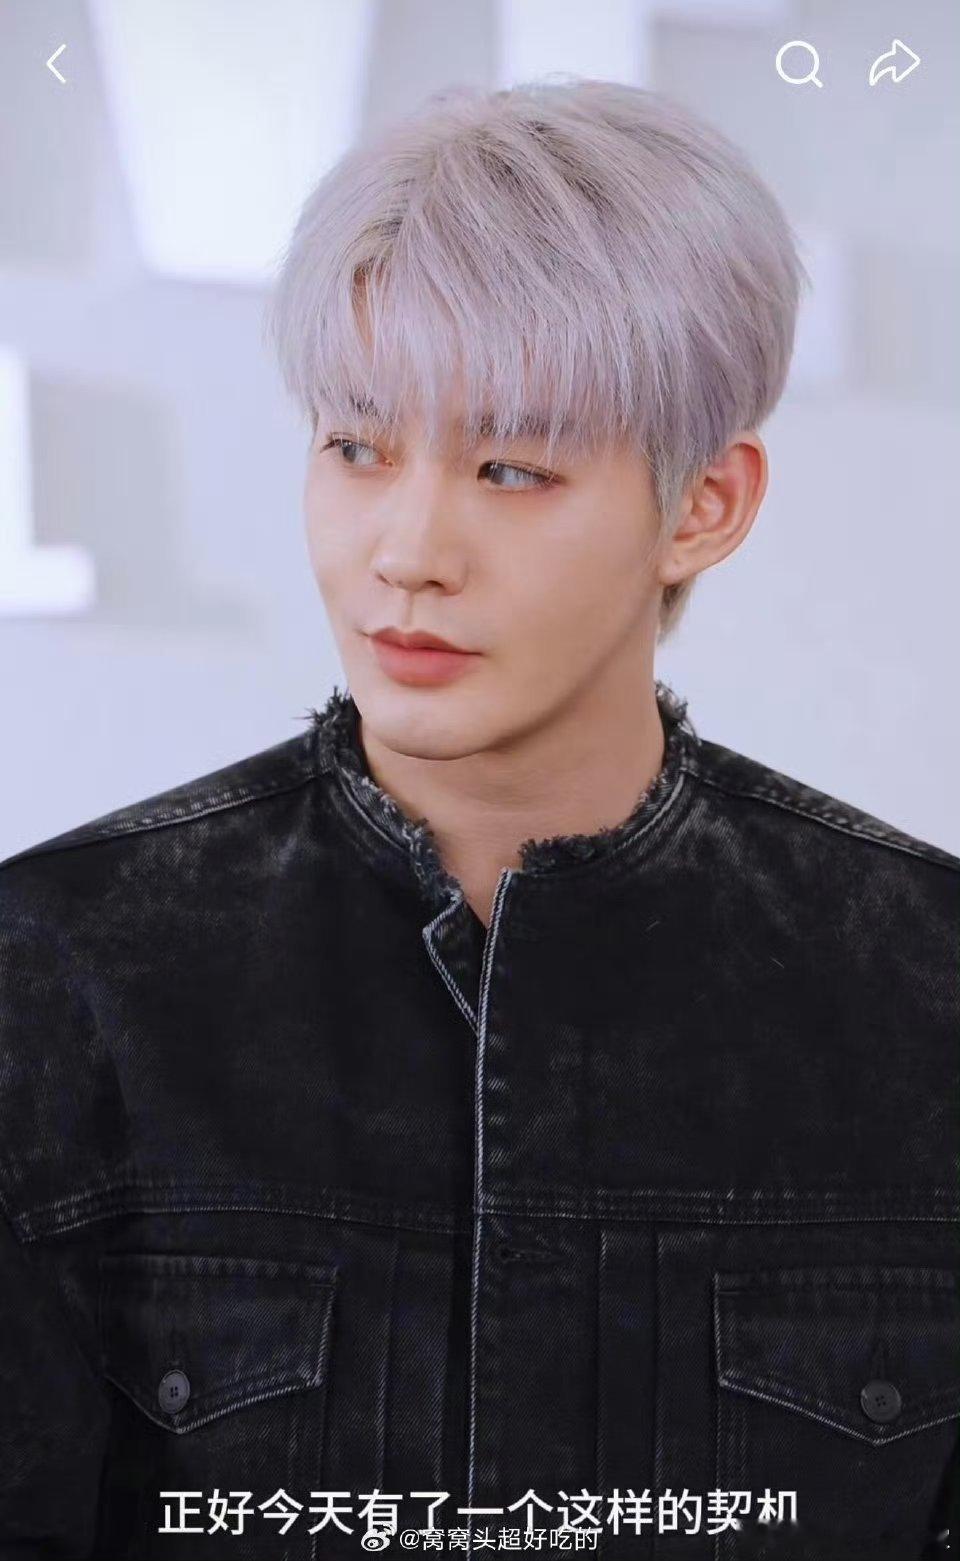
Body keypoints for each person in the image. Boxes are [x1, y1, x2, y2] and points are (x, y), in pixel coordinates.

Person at [1, 78, 957, 1561]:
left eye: (513, 469)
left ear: (704, 504)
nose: (408, 551)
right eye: (357, 447)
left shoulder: (926, 987)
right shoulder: (60, 972)